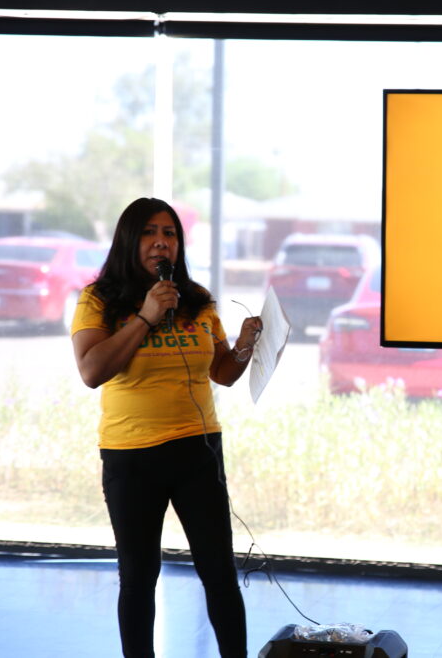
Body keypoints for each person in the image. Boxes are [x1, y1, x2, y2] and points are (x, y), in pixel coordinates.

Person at [70, 197, 262, 658]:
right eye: (150, 233)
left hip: (198, 451)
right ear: (129, 240)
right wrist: (146, 317)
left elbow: (222, 372)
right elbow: (92, 371)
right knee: (139, 576)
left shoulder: (197, 301)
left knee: (218, 572)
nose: (162, 242)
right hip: (131, 455)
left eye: (170, 233)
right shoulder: (99, 299)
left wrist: (246, 344)